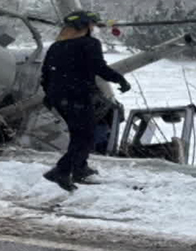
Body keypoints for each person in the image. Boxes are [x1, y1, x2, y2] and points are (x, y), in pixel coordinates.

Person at [40, 10, 131, 192]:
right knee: (86, 137)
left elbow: (45, 74)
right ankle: (61, 170)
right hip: (78, 96)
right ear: (84, 26)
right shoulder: (89, 44)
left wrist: (50, 95)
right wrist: (120, 80)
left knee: (77, 134)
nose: (93, 28)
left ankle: (79, 167)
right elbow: (100, 68)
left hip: (59, 98)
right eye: (91, 25)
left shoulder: (56, 46)